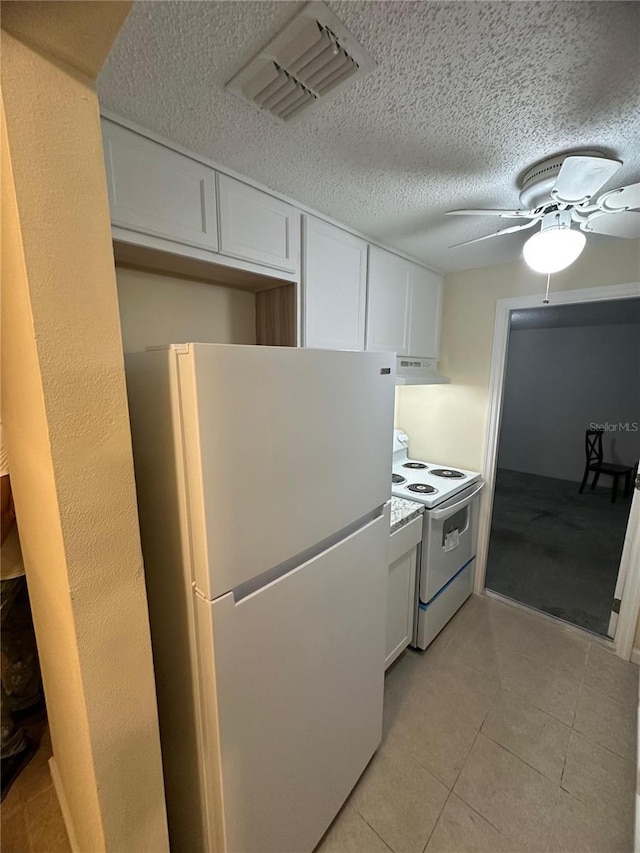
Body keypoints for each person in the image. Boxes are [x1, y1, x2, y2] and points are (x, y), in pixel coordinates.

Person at [1, 423, 44, 801]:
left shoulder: (2, 429)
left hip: (6, 565)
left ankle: (6, 746)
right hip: (10, 566)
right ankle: (26, 699)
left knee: (15, 632)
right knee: (14, 634)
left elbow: (4, 509)